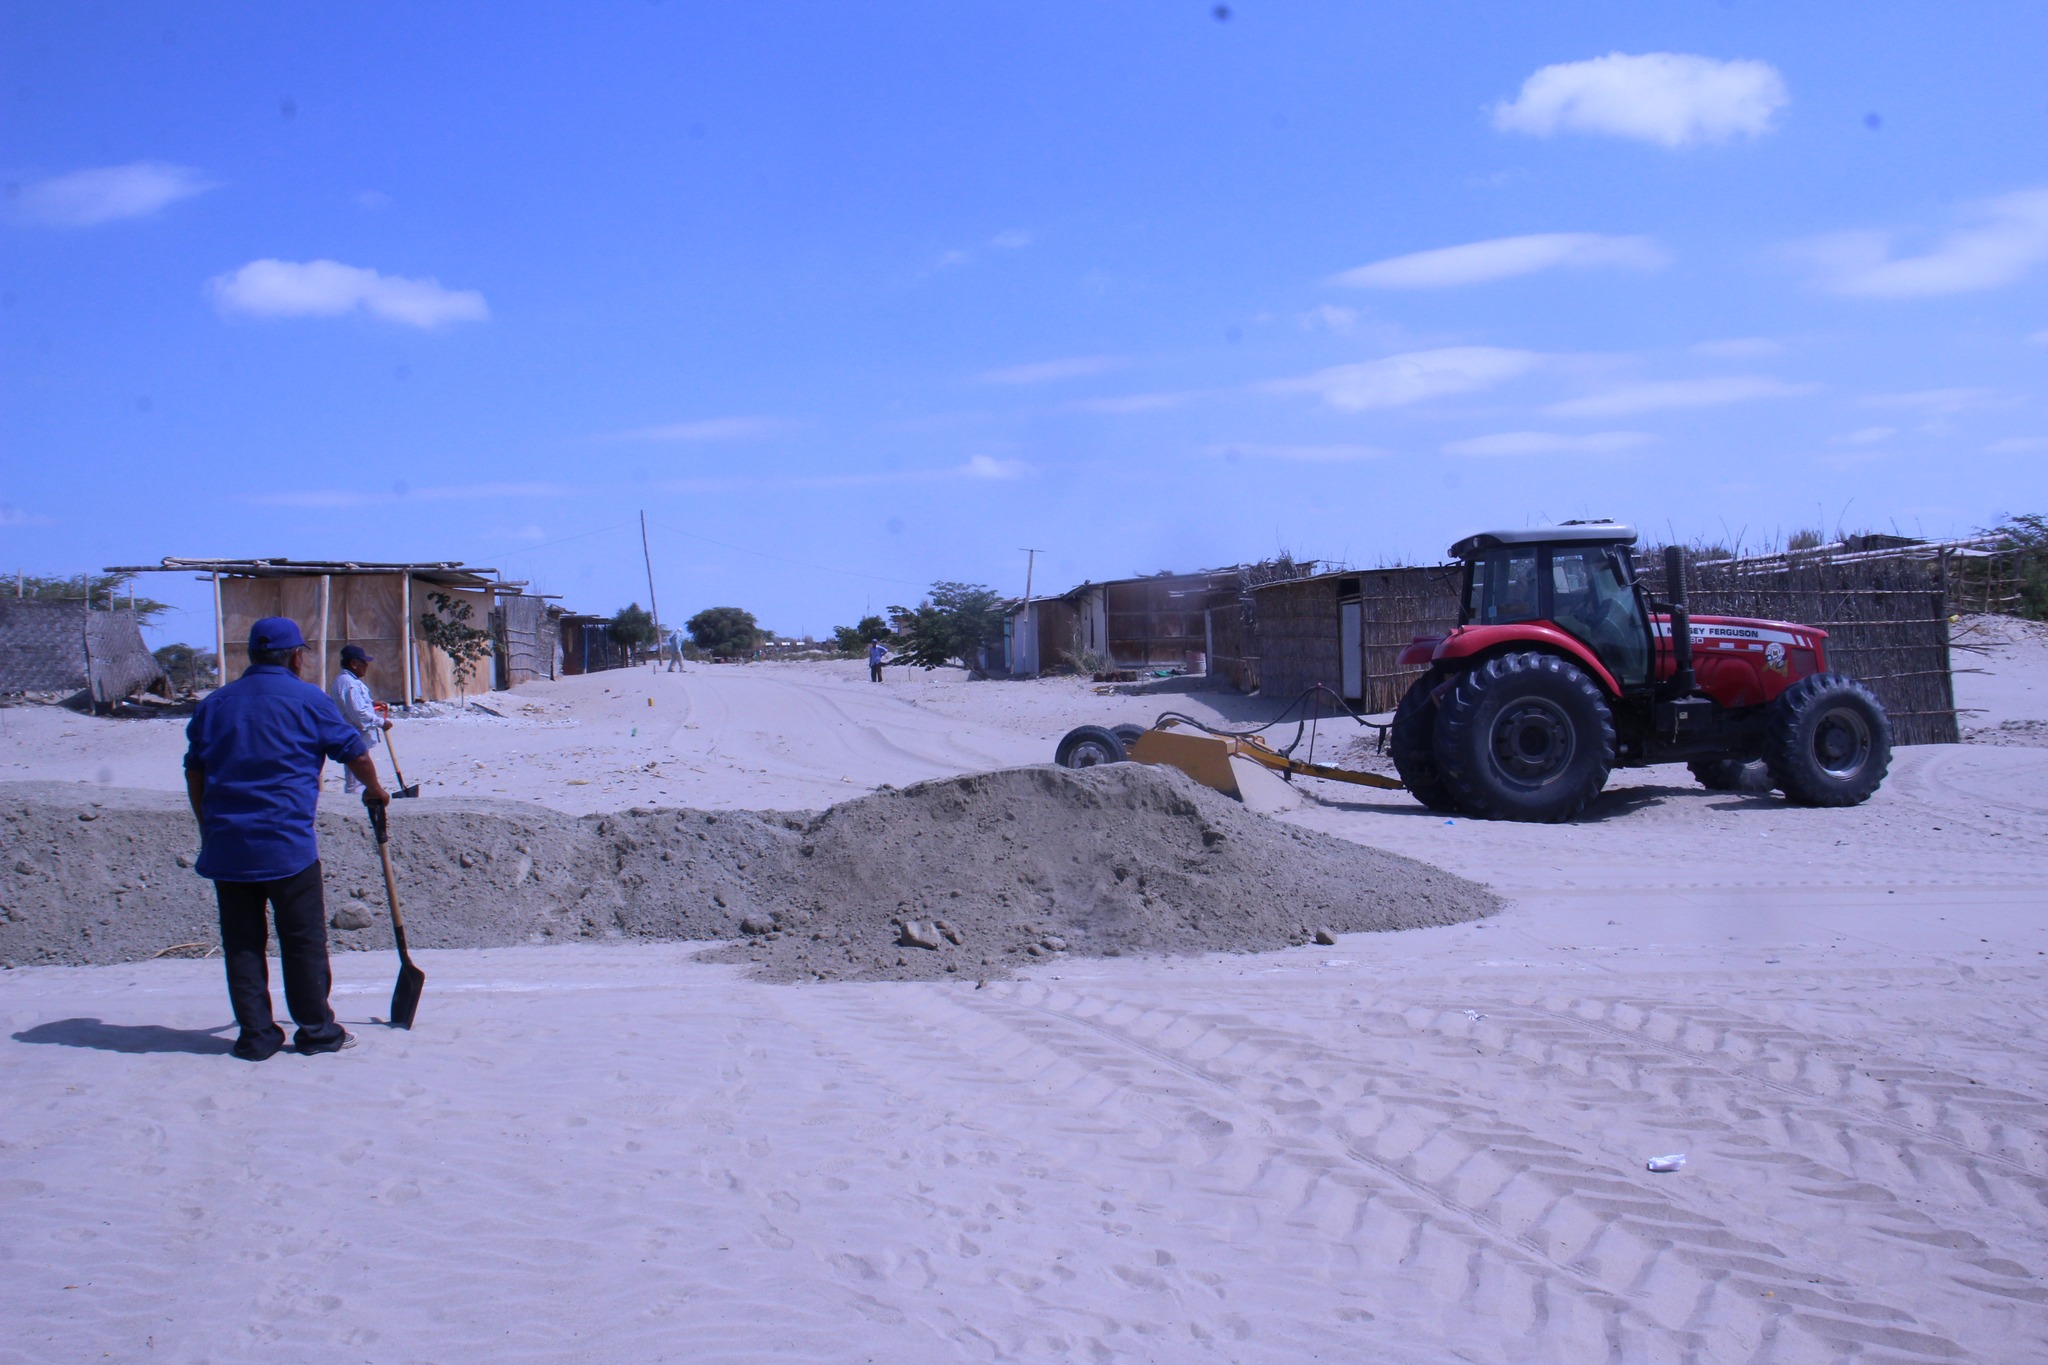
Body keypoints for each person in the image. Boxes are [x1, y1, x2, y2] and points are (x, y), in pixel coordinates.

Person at [185, 617, 389, 1060]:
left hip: (228, 847)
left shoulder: (215, 703)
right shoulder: (307, 699)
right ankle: (317, 1032)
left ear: (251, 655)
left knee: (242, 944)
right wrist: (374, 790)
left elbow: (195, 771)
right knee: (302, 941)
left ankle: (256, 1037)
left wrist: (208, 826)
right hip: (287, 848)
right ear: (297, 656)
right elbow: (353, 750)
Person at [328, 644, 391, 793]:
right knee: (355, 778)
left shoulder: (347, 680)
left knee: (358, 777)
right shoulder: (348, 683)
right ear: (354, 664)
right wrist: (382, 723)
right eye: (363, 663)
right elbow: (358, 713)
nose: (366, 666)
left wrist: (372, 703)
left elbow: (353, 704)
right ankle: (354, 806)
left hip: (354, 734)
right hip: (354, 734)